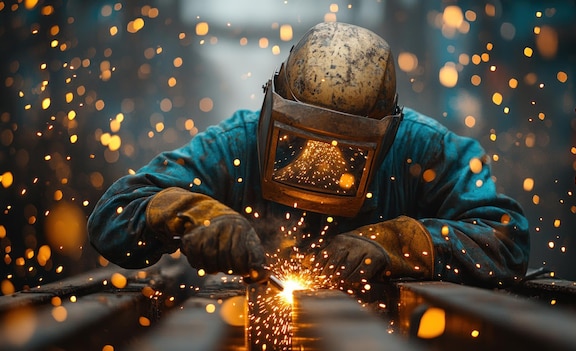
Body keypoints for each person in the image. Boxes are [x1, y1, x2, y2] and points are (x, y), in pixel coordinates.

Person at [88, 22, 529, 289]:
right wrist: (187, 213)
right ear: (271, 111)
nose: (318, 165)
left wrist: (397, 244)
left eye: (343, 152)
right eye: (299, 142)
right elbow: (112, 218)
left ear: (386, 136)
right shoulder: (237, 145)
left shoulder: (424, 150)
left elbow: (506, 242)